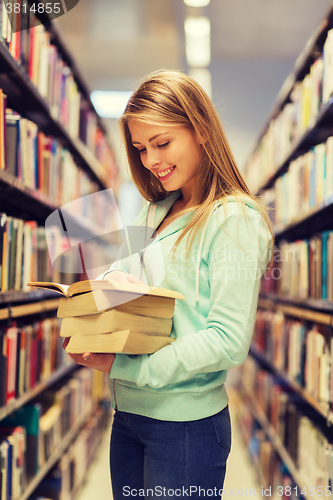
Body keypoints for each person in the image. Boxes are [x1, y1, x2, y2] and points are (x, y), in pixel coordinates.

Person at [65, 70, 274, 499]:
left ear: (200, 130)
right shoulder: (155, 211)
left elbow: (228, 339)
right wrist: (106, 285)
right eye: (141, 148)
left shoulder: (234, 219)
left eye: (162, 143)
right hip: (128, 414)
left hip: (184, 427)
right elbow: (125, 273)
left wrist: (130, 368)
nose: (151, 160)